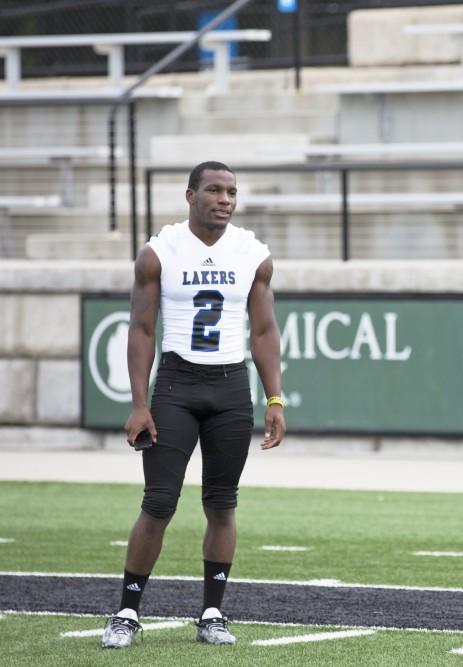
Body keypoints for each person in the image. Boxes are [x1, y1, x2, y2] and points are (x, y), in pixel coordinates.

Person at [101, 161, 287, 649]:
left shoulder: (252, 253)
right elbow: (141, 329)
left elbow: (264, 331)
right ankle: (126, 611)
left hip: (229, 387)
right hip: (176, 385)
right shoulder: (160, 251)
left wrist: (274, 397)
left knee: (222, 504)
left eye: (231, 192)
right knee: (159, 502)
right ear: (190, 196)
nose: (225, 199)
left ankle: (212, 614)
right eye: (214, 190)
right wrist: (139, 403)